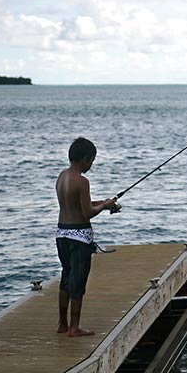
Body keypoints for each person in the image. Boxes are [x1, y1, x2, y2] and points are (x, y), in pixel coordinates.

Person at [55, 137, 119, 337]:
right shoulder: (82, 181)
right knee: (78, 281)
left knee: (66, 276)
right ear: (84, 159)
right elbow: (87, 213)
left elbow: (78, 204)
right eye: (91, 160)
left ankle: (62, 324)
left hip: (62, 233)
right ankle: (75, 328)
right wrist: (105, 206)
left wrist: (105, 202)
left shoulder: (62, 177)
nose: (91, 165)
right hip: (80, 237)